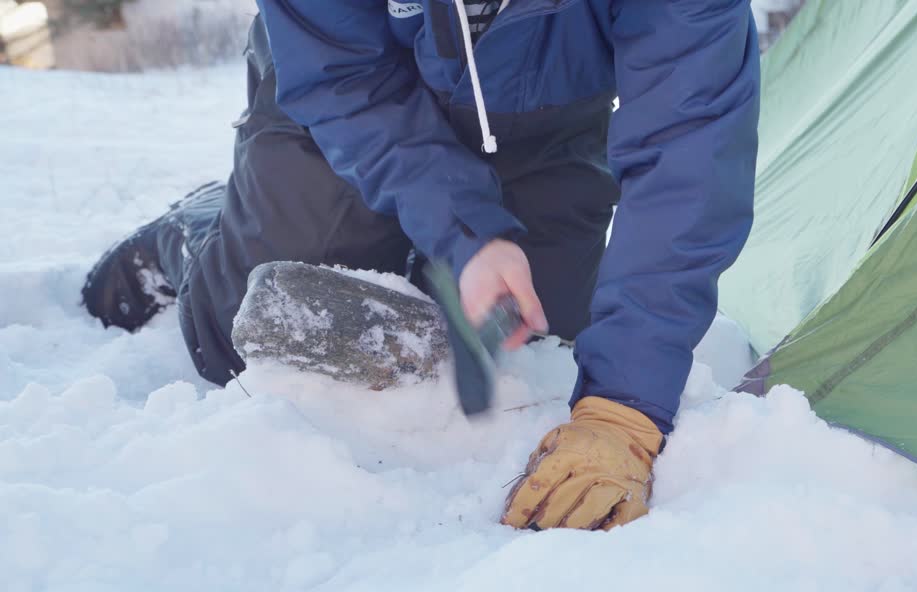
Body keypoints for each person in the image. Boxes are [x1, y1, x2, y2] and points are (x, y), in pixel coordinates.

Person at [81, 0, 761, 531]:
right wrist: (468, 235)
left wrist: (625, 409)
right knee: (256, 326)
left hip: (544, 115)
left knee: (537, 332)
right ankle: (201, 229)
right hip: (353, 95)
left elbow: (688, 151)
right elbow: (342, 78)